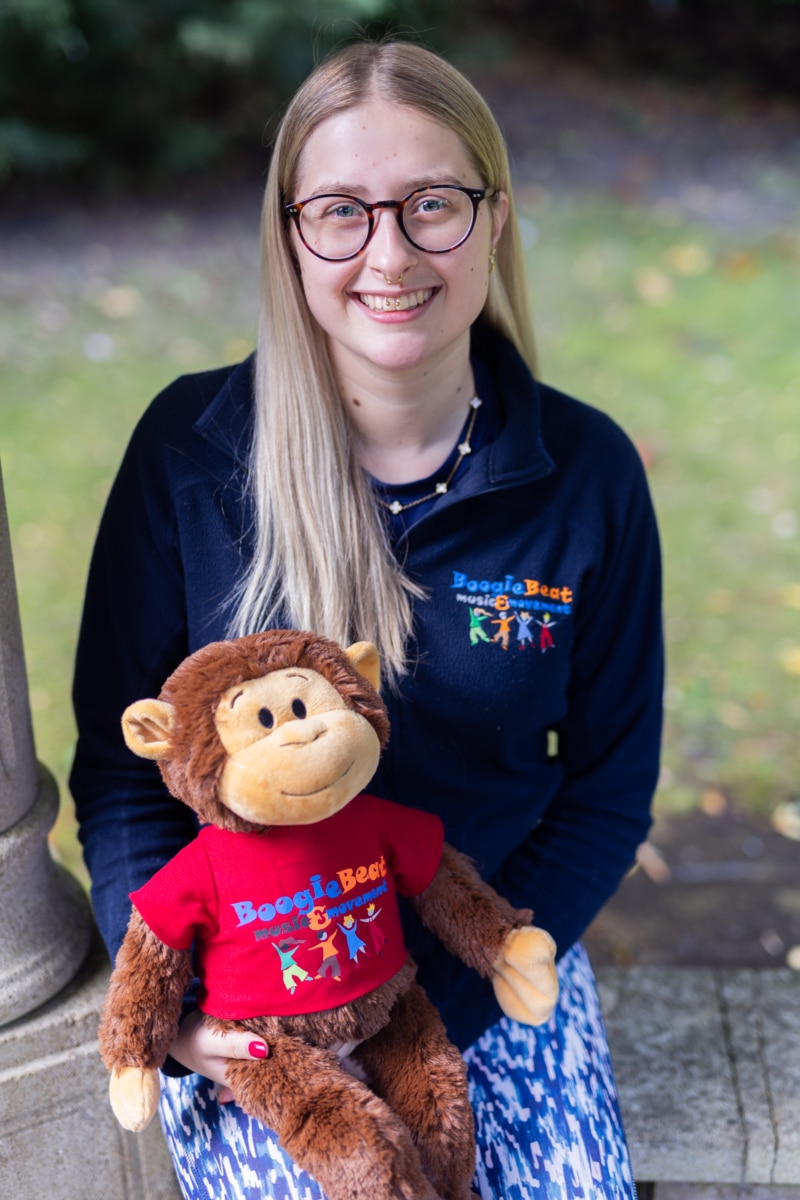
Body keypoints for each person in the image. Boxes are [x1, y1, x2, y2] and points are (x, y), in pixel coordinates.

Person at [71, 37, 663, 1200]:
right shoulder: (190, 457)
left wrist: (441, 989)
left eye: (431, 205)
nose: (387, 255)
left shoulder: (583, 471)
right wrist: (184, 1018)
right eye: (341, 211)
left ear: (494, 220)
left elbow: (604, 786)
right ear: (289, 236)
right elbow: (118, 769)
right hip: (257, 1011)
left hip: (489, 959)